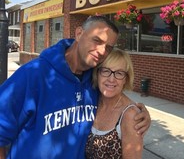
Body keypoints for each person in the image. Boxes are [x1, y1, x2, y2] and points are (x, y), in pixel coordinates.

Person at [0, 16, 150, 159]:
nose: (102, 51)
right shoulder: (33, 75)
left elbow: (115, 96)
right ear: (79, 33)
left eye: (108, 48)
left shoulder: (94, 77)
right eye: (97, 40)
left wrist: (137, 112)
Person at [85, 48, 144, 159]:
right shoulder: (92, 100)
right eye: (106, 71)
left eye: (119, 73)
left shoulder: (130, 115)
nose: (111, 79)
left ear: (125, 79)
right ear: (97, 74)